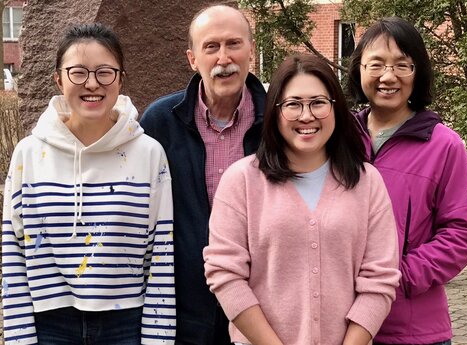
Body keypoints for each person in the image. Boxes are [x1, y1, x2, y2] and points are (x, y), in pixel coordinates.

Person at [202, 53, 401, 345]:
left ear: (335, 108)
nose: (307, 116)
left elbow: (380, 280)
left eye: (318, 103)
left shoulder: (367, 182)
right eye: (293, 104)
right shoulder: (241, 180)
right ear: (275, 111)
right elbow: (225, 274)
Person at [1, 23, 175, 345]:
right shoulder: (29, 153)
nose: (92, 83)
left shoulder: (150, 154)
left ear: (120, 78)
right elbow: (13, 253)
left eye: (104, 72)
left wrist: (158, 338)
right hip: (48, 325)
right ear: (58, 79)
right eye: (77, 72)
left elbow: (161, 256)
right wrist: (19, 337)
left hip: (127, 326)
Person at [347, 17, 467, 345]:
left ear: (417, 71)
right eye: (376, 64)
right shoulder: (338, 137)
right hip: (340, 324)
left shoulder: (444, 145)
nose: (388, 76)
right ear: (359, 69)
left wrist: (398, 277)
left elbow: (463, 233)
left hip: (412, 329)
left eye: (402, 65)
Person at [140, 4, 266, 344]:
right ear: (193, 59)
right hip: (182, 313)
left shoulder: (279, 123)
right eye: (211, 47)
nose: (223, 58)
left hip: (260, 312)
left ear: (251, 51)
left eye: (234, 44)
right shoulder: (159, 123)